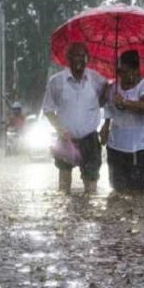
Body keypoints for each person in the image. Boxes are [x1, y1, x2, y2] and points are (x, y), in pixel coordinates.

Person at [41, 42, 110, 192]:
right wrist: (60, 129)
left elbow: (106, 102)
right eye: (75, 56)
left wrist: (107, 93)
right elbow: (47, 109)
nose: (78, 59)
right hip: (66, 139)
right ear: (68, 58)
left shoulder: (97, 80)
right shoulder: (56, 82)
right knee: (64, 185)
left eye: (82, 56)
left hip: (90, 140)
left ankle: (88, 214)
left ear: (87, 59)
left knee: (91, 183)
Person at [99, 49, 144, 192]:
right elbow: (106, 106)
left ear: (136, 69)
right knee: (116, 188)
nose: (122, 76)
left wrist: (125, 103)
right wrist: (105, 126)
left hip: (141, 147)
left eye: (126, 72)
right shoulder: (114, 87)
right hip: (116, 145)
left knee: (135, 190)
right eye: (120, 72)